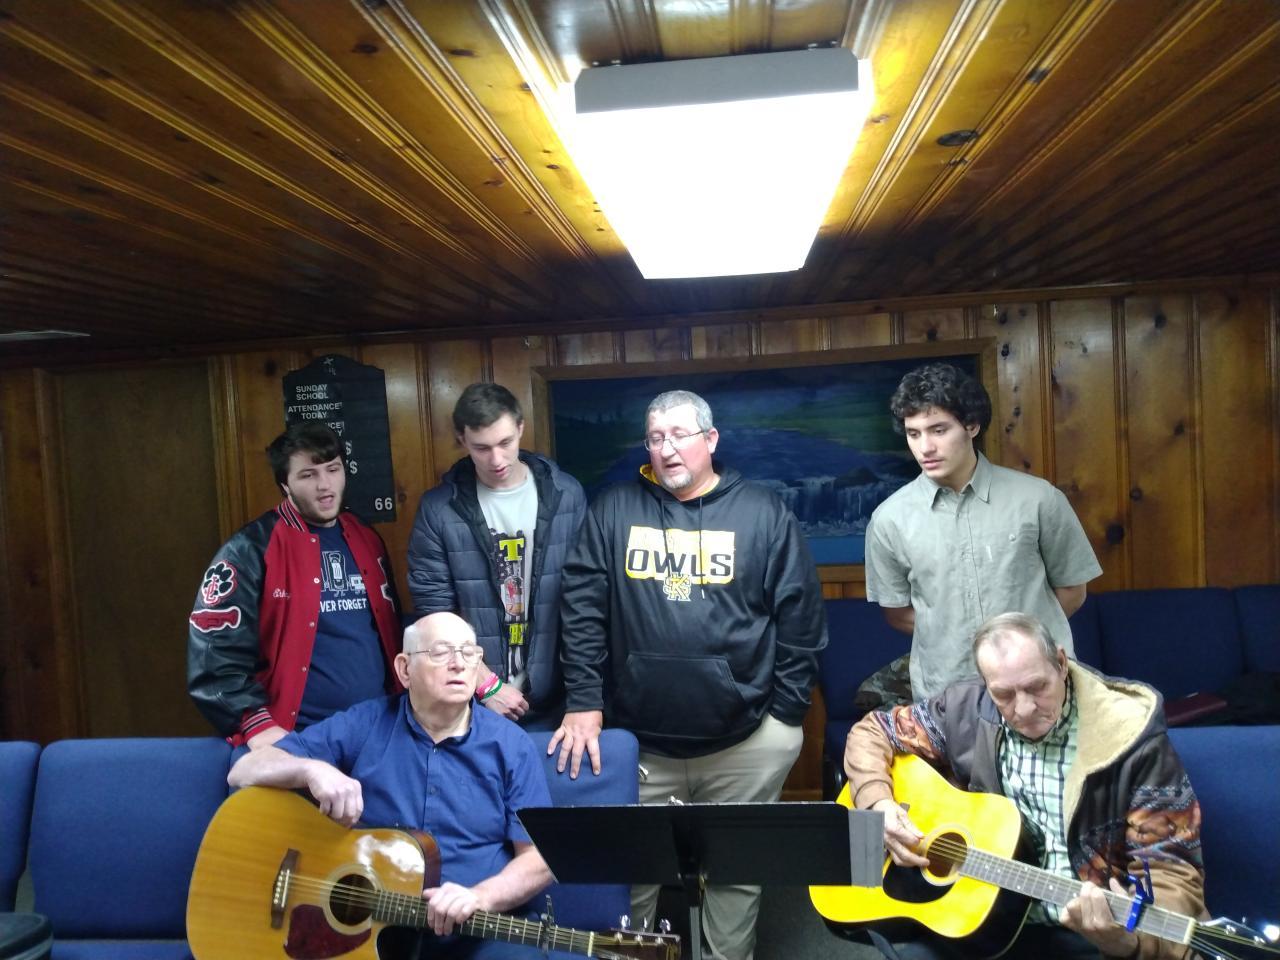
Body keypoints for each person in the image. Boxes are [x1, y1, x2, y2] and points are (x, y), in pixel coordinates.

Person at [550, 389, 827, 960]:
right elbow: (581, 611)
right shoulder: (614, 509)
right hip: (638, 744)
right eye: (656, 437)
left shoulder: (763, 512)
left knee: (735, 880)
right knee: (630, 880)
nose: (668, 448)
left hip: (744, 742)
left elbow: (801, 619)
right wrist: (583, 700)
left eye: (680, 435)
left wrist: (786, 716)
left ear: (711, 439)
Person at [844, 612, 1205, 960]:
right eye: (1004, 694)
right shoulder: (966, 708)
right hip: (982, 917)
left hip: (1086, 936)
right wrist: (879, 807)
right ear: (986, 685)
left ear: (1060, 664)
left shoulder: (1130, 739)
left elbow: (1171, 874)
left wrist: (1126, 940)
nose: (1025, 708)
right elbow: (873, 732)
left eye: (1037, 687)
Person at [228, 612, 555, 960]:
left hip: (478, 934)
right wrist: (311, 770)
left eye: (469, 653)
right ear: (404, 669)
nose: (459, 664)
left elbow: (539, 857)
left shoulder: (511, 745)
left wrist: (481, 896)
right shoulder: (363, 724)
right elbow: (243, 771)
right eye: (441, 652)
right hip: (371, 930)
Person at [864, 362, 1102, 700]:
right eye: (913, 434)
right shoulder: (889, 519)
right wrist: (951, 633)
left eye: (939, 430)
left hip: (1038, 686)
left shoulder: (1038, 499)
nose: (925, 447)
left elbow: (1072, 591)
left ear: (972, 426)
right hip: (947, 694)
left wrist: (1016, 644)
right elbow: (898, 614)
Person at [188, 422, 402, 748]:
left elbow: (390, 634)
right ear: (284, 484)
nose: (324, 484)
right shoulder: (249, 550)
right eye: (308, 475)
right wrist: (257, 726)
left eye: (333, 469)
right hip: (295, 738)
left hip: (378, 730)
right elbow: (213, 657)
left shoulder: (366, 537)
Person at [408, 383, 586, 730]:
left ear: (520, 427)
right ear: (462, 440)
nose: (497, 459)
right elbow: (435, 613)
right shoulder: (438, 509)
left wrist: (583, 696)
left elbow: (584, 601)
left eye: (505, 442)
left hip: (556, 699)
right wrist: (485, 684)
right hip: (472, 702)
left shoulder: (566, 495)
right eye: (482, 448)